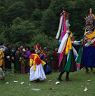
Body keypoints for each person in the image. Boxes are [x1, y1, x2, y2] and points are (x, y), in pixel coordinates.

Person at [56, 10, 77, 81]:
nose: (68, 26)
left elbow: (72, 41)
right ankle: (59, 77)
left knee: (69, 65)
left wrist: (66, 17)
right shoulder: (64, 36)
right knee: (65, 66)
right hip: (66, 53)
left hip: (69, 51)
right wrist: (64, 17)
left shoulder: (68, 35)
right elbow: (65, 26)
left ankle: (67, 77)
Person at [82, 8, 95, 73]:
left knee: (93, 57)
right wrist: (86, 40)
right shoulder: (86, 30)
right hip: (87, 46)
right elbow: (84, 37)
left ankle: (92, 67)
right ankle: (87, 68)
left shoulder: (93, 29)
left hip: (93, 46)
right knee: (86, 57)